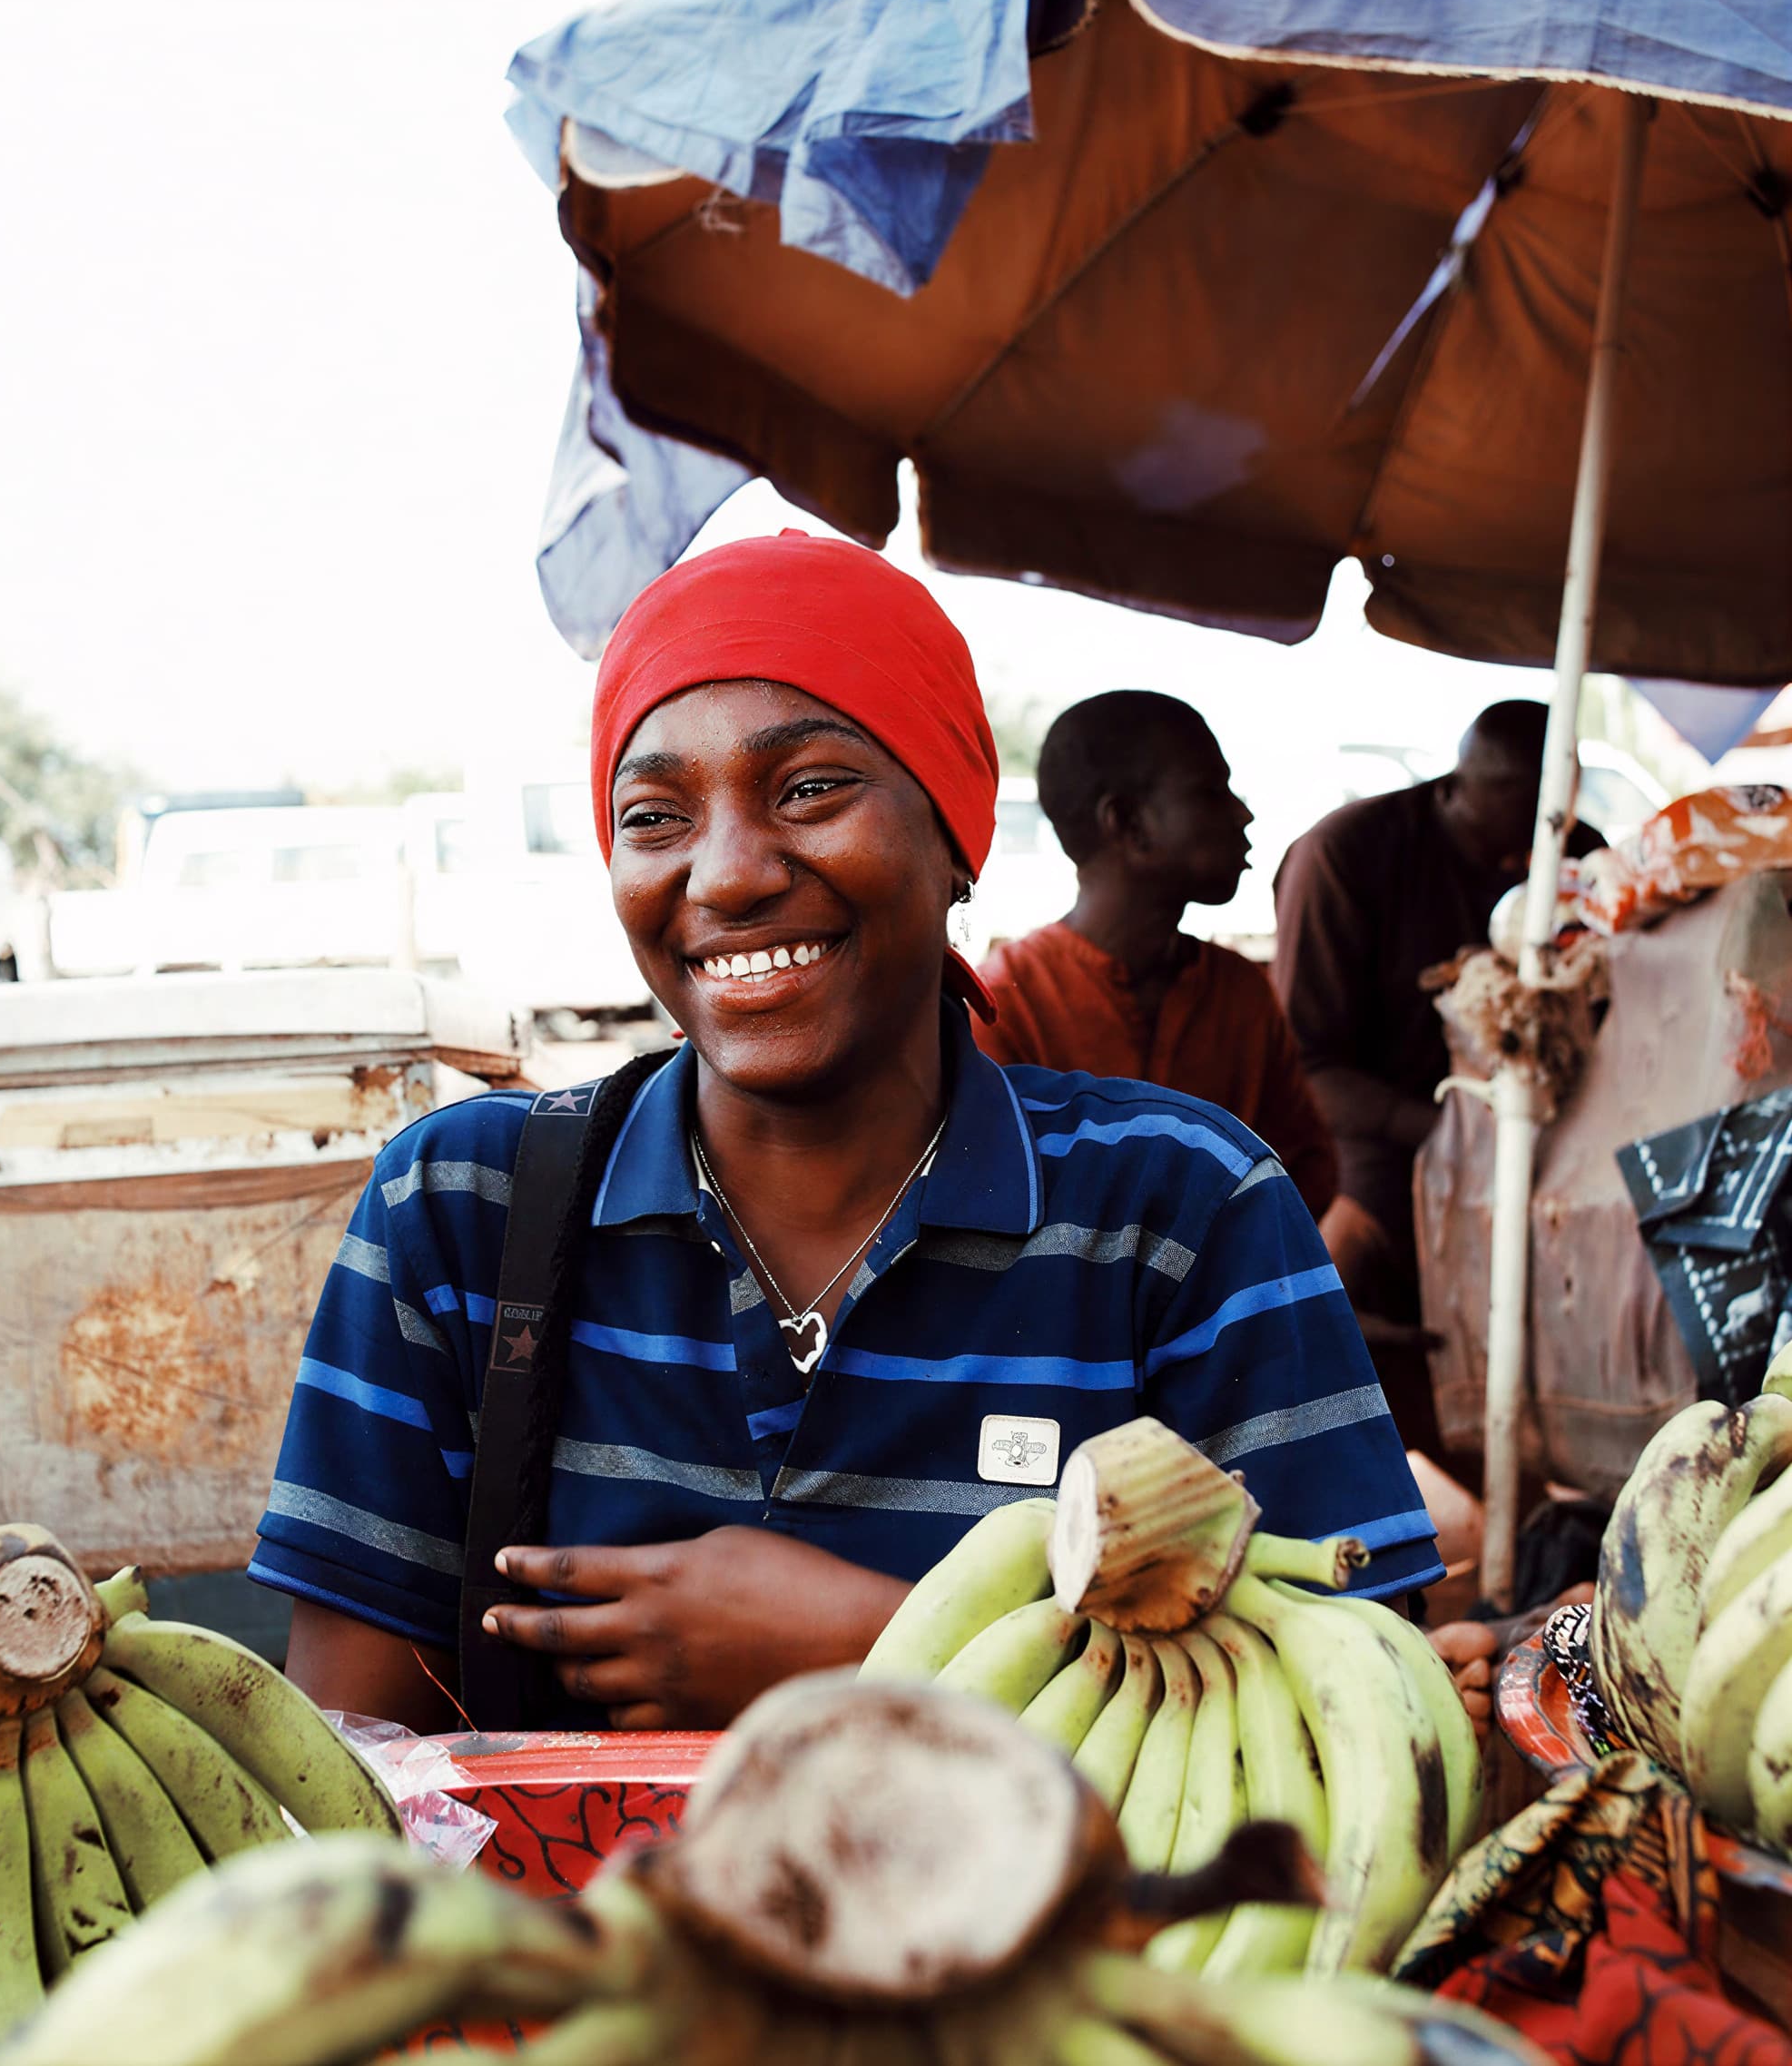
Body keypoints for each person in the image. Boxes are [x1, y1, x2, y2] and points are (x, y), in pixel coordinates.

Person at [249, 533, 1442, 1737]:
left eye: (809, 789)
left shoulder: (1178, 1213)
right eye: (655, 815)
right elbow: (349, 1770)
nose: (725, 874)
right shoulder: (464, 1209)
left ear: (955, 835)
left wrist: (884, 1649)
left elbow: (1366, 1723)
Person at [1271, 701, 1604, 1456]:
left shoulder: (1575, 857)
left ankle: (1558, 1432)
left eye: (1563, 804)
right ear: (1475, 785)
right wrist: (1456, 1133)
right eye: (1533, 803)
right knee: (1367, 1216)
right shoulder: (1346, 853)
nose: (1552, 829)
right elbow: (1309, 1067)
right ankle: (1305, 1364)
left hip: (1541, 1116)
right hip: (1375, 1123)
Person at [971, 693, 1336, 1220]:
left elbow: (1303, 1182)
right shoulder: (1004, 1006)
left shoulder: (1240, 991)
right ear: (1128, 823)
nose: (1244, 814)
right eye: (1210, 792)